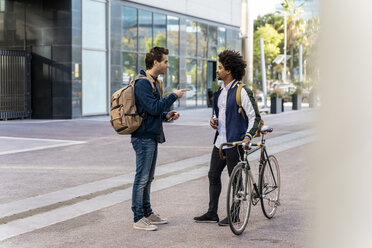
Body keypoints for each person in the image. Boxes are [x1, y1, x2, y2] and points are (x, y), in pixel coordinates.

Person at [194, 50, 261, 226]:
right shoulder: (220, 92)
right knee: (213, 175)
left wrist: (247, 137)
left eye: (220, 68)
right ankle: (211, 213)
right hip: (220, 142)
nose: (217, 71)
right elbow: (221, 115)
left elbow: (255, 117)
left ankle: (235, 214)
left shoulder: (242, 91)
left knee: (236, 180)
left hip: (236, 142)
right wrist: (214, 121)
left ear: (229, 71)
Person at [131, 47, 188, 231]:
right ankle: (138, 217)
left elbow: (153, 111)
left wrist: (167, 115)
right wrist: (173, 96)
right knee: (142, 178)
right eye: (165, 61)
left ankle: (147, 213)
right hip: (143, 137)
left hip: (151, 135)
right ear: (155, 62)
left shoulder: (153, 82)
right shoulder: (142, 83)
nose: (167, 65)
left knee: (148, 178)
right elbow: (153, 107)